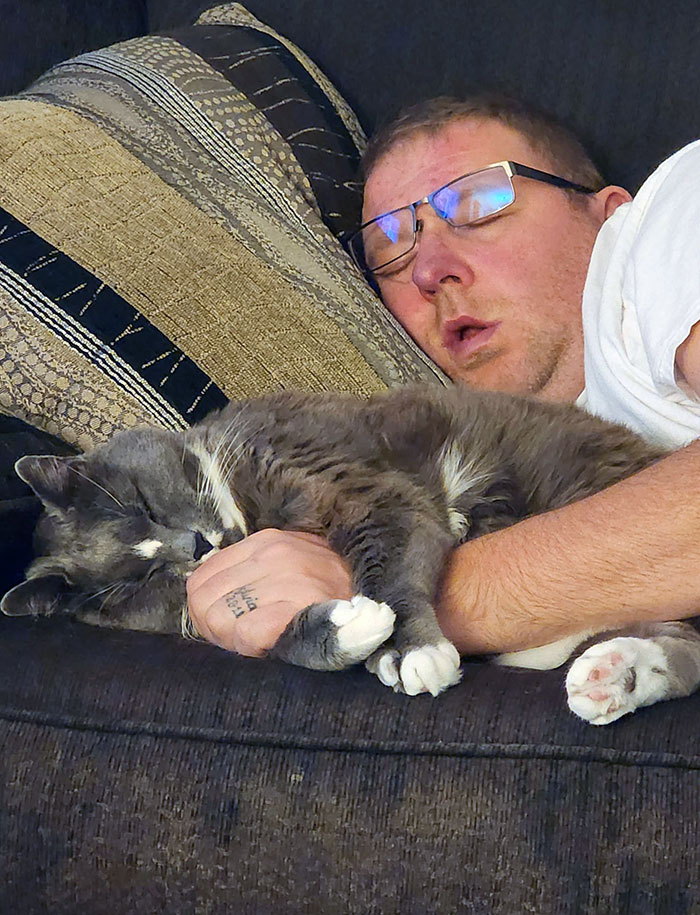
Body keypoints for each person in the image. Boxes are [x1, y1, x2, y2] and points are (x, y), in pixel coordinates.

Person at [186, 94, 700, 662]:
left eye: (479, 205)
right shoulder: (512, 460)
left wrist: (398, 592)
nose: (430, 270)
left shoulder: (674, 210)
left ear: (603, 211)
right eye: (392, 251)